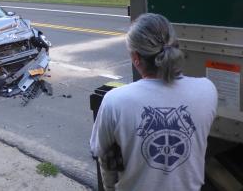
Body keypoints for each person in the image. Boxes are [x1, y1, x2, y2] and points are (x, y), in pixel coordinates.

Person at [90, 13, 218, 191]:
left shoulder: (115, 101)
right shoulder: (207, 90)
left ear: (136, 58)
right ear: (175, 48)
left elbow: (103, 154)